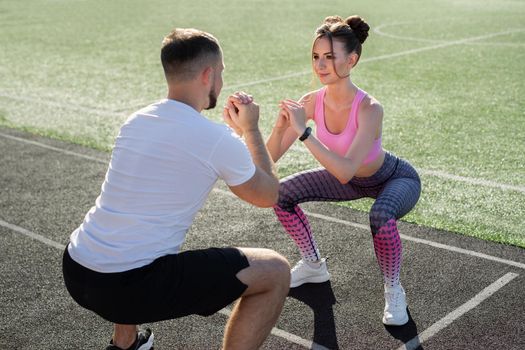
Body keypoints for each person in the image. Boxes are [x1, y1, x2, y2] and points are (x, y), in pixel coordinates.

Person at [62, 28, 290, 350]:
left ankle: (125, 343)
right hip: (127, 287)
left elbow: (198, 153)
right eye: (221, 73)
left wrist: (233, 138)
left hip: (77, 268)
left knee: (133, 235)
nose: (221, 82)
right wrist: (251, 129)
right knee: (276, 271)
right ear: (208, 75)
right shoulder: (216, 140)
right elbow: (268, 195)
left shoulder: (136, 120)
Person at [265, 15, 421, 326]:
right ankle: (313, 265)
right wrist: (279, 126)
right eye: (316, 57)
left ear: (351, 60)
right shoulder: (310, 102)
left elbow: (347, 170)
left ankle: (393, 288)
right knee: (280, 195)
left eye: (330, 57)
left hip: (392, 178)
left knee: (380, 216)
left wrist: (305, 133)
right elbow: (269, 159)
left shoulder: (370, 108)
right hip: (348, 180)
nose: (321, 65)